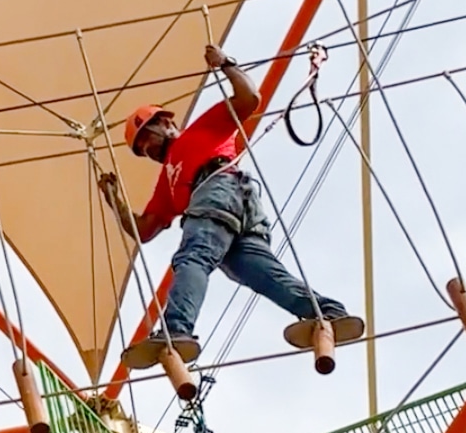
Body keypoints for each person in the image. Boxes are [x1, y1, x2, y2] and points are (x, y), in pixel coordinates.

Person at [98, 44, 363, 370]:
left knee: (193, 255)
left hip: (220, 187)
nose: (148, 149)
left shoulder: (199, 130)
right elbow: (144, 229)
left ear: (166, 123)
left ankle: (176, 329)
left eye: (147, 137)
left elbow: (249, 99)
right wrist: (116, 201)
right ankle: (327, 311)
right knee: (261, 275)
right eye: (142, 149)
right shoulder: (167, 183)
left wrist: (225, 64)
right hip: (231, 205)